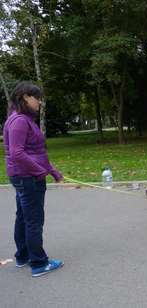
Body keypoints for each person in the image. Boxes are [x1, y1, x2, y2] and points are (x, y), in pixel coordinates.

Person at [3, 82, 64, 277]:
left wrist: (52, 171)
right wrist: (39, 172)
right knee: (33, 220)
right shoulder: (20, 120)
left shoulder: (23, 119)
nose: (40, 102)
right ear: (25, 97)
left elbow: (37, 152)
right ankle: (38, 263)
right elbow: (17, 153)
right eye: (37, 98)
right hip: (27, 177)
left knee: (23, 217)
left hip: (25, 176)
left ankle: (23, 256)